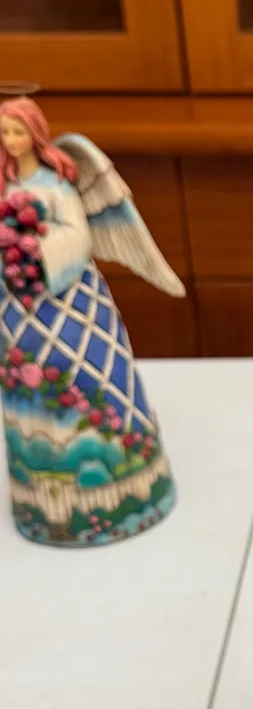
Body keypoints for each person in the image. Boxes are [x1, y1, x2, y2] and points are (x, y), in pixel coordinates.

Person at [0, 94, 184, 546]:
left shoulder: (58, 185)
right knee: (29, 390)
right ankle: (39, 500)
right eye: (5, 132)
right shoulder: (5, 187)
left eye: (18, 131)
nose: (11, 139)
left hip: (69, 301)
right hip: (16, 308)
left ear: (34, 134)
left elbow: (76, 236)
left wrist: (33, 251)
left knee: (92, 374)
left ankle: (127, 487)